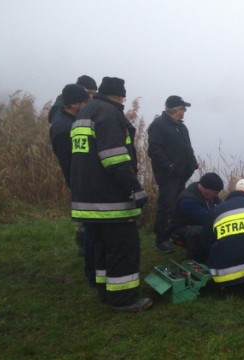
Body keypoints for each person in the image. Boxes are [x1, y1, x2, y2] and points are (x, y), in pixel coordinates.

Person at [70, 76, 152, 312]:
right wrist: (135, 188)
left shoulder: (85, 114)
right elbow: (114, 158)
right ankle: (123, 298)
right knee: (122, 248)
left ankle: (105, 291)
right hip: (111, 200)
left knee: (102, 248)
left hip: (88, 200)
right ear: (120, 96)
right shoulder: (109, 114)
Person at [49, 84, 96, 284]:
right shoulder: (62, 128)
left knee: (87, 222)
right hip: (78, 180)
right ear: (73, 104)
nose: (87, 105)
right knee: (87, 221)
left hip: (81, 179)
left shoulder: (70, 120)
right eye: (84, 102)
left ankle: (88, 254)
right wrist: (78, 182)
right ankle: (88, 259)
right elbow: (69, 161)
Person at [147, 95, 199, 253]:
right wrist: (168, 166)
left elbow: (187, 148)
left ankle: (176, 233)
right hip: (168, 175)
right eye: (183, 109)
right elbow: (154, 149)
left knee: (178, 205)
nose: (184, 112)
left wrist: (192, 163)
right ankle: (161, 239)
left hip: (182, 173)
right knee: (166, 206)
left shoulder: (181, 126)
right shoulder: (159, 125)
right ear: (176, 110)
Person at [167, 172, 223, 263]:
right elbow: (207, 220)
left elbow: (222, 207)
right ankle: (197, 261)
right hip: (179, 229)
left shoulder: (208, 193)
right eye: (216, 192)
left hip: (197, 222)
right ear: (206, 189)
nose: (217, 195)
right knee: (198, 231)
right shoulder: (188, 201)